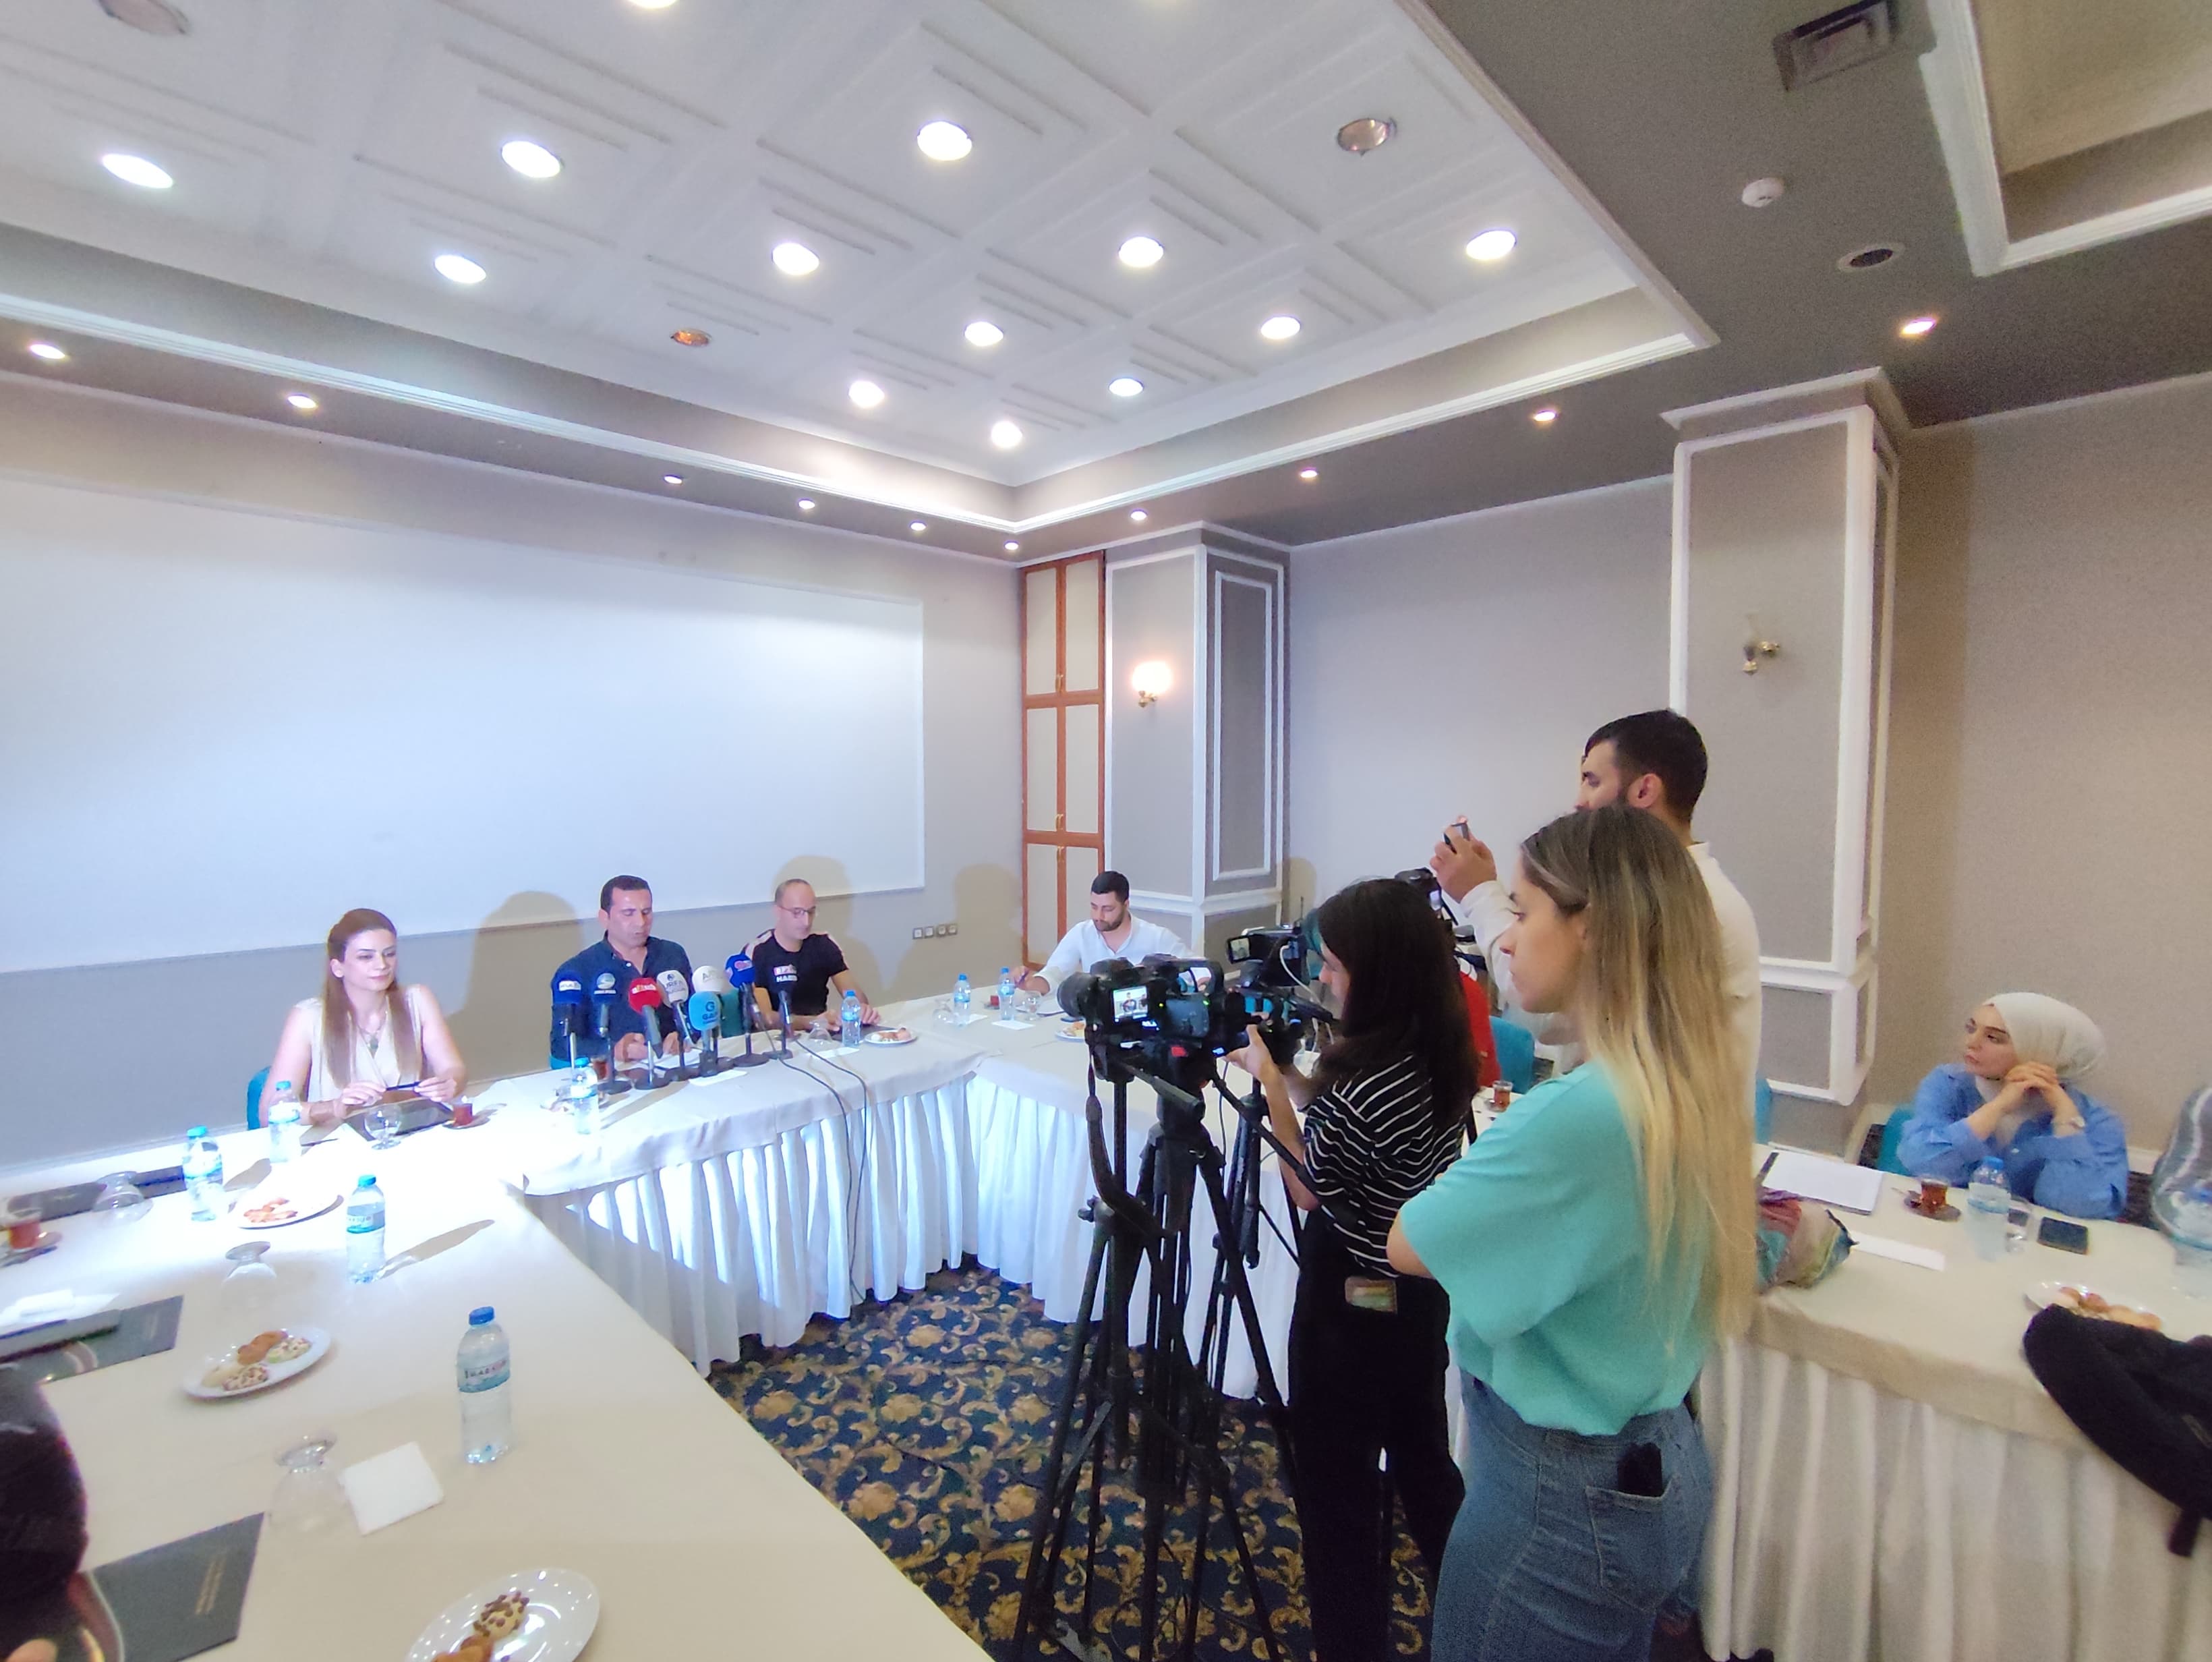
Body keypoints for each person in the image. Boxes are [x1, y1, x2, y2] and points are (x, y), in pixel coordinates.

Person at [1387, 806, 1756, 1662]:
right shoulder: (1684, 1076)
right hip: (1652, 1456)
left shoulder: (1580, 1113)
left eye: (1522, 910)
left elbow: (1412, 1242)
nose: (1507, 939)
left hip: (1557, 1501)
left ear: (1591, 926)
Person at [1227, 879, 1474, 1662]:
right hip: (1417, 1293)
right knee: (1424, 1463)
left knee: (1335, 1493)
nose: (1324, 979)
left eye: (1334, 965)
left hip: (1352, 1303)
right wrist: (1296, 1076)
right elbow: (1341, 1126)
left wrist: (1271, 1083)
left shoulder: (1365, 1085)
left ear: (1379, 971)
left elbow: (1309, 1185)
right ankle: (1476, 1622)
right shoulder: (1433, 1048)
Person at [1430, 709, 1762, 1106]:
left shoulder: (1681, 903)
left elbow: (1544, 1012)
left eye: (1592, 781)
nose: (1579, 801)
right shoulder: (1679, 890)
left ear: (1644, 791)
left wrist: (1479, 894)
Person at [1898, 994, 2128, 1220]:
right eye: (1971, 1029)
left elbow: (2081, 1207)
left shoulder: (2098, 1120)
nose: (1971, 1043)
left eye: (1994, 1038)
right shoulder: (1948, 1083)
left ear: (2042, 1050)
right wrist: (1998, 1106)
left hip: (2026, 1239)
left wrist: (2066, 1119)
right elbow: (1923, 1164)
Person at [265, 909, 466, 1128]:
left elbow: (453, 1069)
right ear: (338, 967)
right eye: (366, 957)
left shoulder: (417, 1000)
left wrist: (450, 1083)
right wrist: (332, 1108)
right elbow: (269, 1112)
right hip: (340, 1140)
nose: (382, 965)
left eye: (389, 954)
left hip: (410, 1132)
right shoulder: (307, 1017)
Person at [549, 876, 693, 1066]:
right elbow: (561, 1045)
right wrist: (612, 1050)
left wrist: (684, 1035)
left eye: (646, 912)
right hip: (615, 1073)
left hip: (675, 1065)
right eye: (628, 913)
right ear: (605, 918)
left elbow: (694, 1016)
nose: (641, 922)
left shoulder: (672, 955)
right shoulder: (577, 971)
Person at [1023, 870, 1186, 996]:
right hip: (1096, 1019)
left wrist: (1197, 981)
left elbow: (1196, 971)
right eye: (1094, 907)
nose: (1098, 916)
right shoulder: (1082, 933)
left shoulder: (1157, 937)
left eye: (1107, 909)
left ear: (1126, 905)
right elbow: (1055, 974)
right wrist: (1031, 983)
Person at [749, 878, 877, 1032]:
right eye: (797, 913)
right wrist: (810, 1022)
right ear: (778, 911)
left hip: (820, 1035)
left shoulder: (823, 944)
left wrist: (862, 1010)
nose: (806, 921)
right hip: (777, 1039)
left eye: (811, 912)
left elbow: (856, 998)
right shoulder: (759, 951)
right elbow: (766, 1020)